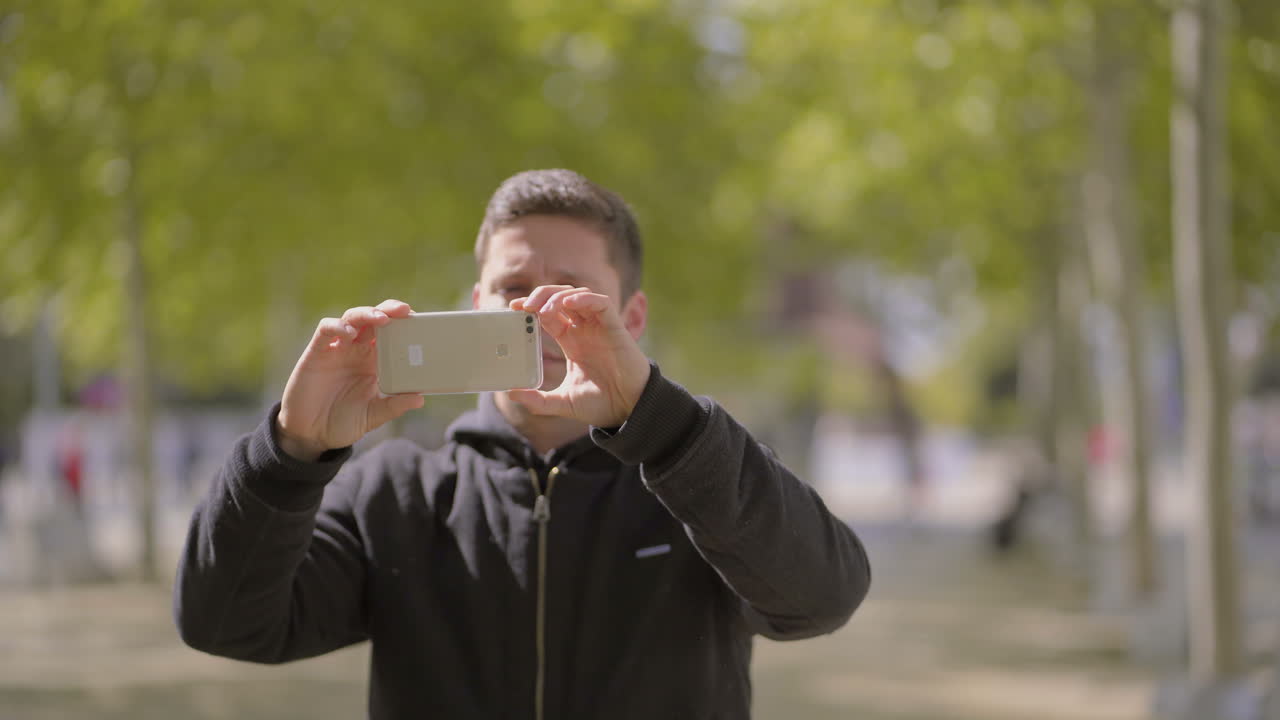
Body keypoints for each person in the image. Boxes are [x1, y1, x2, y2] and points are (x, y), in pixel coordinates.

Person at [174, 169, 871, 719]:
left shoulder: (699, 474)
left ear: (631, 316)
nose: (535, 316)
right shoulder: (395, 491)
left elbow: (822, 599)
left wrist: (662, 424)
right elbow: (226, 624)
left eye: (570, 293)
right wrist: (289, 453)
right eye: (513, 288)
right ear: (475, 301)